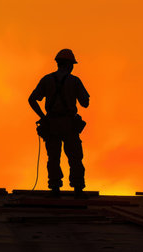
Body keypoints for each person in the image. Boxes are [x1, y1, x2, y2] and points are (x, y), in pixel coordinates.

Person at [28, 49, 90, 199]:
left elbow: (32, 99)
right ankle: (77, 189)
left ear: (58, 63)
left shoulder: (47, 80)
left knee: (53, 157)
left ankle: (55, 188)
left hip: (51, 124)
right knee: (75, 157)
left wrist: (43, 117)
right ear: (69, 65)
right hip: (69, 124)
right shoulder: (74, 81)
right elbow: (85, 103)